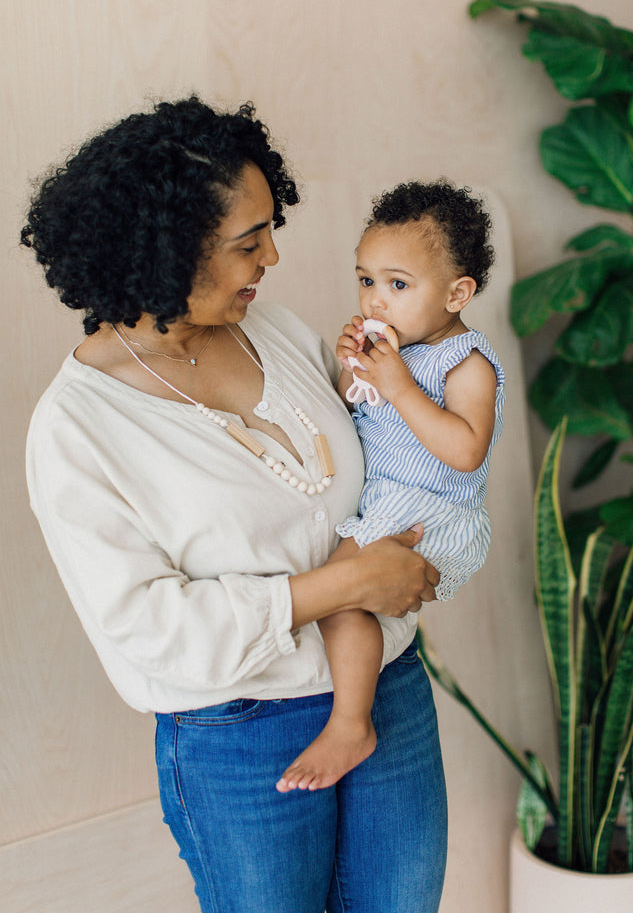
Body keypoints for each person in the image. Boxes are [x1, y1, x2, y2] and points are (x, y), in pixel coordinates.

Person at [22, 97, 447, 913]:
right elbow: (150, 628)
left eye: (269, 231)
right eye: (248, 243)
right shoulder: (77, 427)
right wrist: (346, 585)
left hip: (384, 684)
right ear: (163, 252)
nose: (272, 257)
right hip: (240, 732)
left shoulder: (277, 333)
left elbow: (371, 464)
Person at [278, 181, 504, 794]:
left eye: (398, 285)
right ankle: (351, 716)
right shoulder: (392, 350)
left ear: (457, 294)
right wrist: (357, 373)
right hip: (387, 500)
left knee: (339, 597)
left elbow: (466, 451)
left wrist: (399, 384)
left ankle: (351, 724)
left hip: (429, 510)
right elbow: (357, 415)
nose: (376, 300)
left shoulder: (467, 363)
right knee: (340, 594)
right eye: (366, 280)